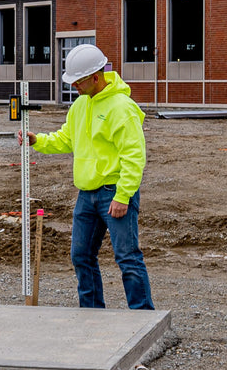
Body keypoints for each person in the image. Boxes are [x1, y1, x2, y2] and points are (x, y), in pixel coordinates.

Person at [17, 43, 153, 310]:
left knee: (127, 257)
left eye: (78, 82)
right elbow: (67, 139)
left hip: (114, 192)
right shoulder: (80, 105)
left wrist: (123, 195)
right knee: (81, 256)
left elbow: (134, 157)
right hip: (87, 195)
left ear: (96, 77)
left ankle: (143, 316)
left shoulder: (121, 108)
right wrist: (38, 141)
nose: (74, 87)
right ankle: (91, 312)